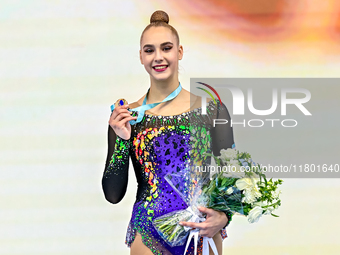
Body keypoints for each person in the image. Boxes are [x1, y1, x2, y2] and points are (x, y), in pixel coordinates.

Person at [102, 10, 234, 255]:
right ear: (141, 56)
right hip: (149, 234)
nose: (158, 57)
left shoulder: (212, 110)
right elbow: (113, 194)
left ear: (180, 52)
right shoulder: (127, 116)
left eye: (166, 48)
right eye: (150, 50)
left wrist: (224, 217)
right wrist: (121, 141)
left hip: (202, 232)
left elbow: (233, 175)